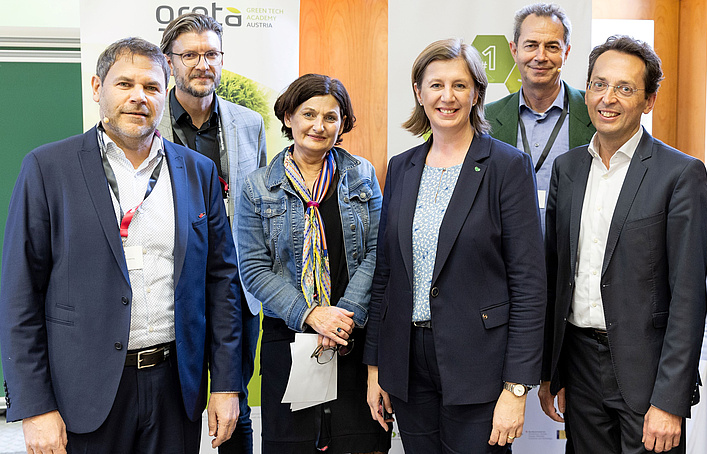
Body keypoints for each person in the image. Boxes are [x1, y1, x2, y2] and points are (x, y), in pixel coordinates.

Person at [0, 37, 242, 453]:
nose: (138, 97)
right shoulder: (47, 168)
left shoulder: (198, 172)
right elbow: (20, 294)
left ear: (164, 93)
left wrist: (225, 384)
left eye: (150, 87)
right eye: (124, 84)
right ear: (97, 88)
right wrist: (35, 407)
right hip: (85, 392)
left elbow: (222, 284)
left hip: (175, 387)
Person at [363, 38, 546, 453]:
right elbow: (386, 274)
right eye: (436, 85)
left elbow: (530, 286)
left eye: (460, 85)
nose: (447, 97)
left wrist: (516, 388)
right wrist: (376, 367)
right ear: (418, 92)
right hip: (408, 365)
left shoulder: (507, 166)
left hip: (480, 366)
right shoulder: (401, 167)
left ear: (477, 93)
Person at [541, 35, 707, 454]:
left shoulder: (680, 174)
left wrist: (670, 401)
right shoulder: (568, 168)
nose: (608, 99)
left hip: (647, 374)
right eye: (599, 85)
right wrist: (552, 372)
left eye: (625, 88)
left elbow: (688, 296)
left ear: (649, 100)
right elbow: (554, 273)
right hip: (579, 365)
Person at [235, 73, 390, 453]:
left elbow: (378, 251)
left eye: (331, 117)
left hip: (354, 338)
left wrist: (343, 316)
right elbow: (254, 269)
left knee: (359, 442)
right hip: (287, 338)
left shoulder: (363, 175)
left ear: (343, 124)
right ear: (288, 117)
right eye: (308, 114)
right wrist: (311, 314)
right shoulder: (257, 186)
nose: (319, 126)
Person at [159, 13, 267, 453]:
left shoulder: (249, 123)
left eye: (211, 54)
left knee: (233, 400)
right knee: (171, 406)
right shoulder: (149, 122)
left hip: (235, 285)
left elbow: (259, 202)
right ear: (169, 63)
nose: (202, 64)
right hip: (172, 284)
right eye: (190, 55)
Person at [485, 3, 597, 225]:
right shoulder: (486, 118)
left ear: (566, 53)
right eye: (531, 45)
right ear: (514, 51)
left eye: (552, 47)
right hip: (506, 254)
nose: (541, 56)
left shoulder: (594, 113)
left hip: (574, 253)